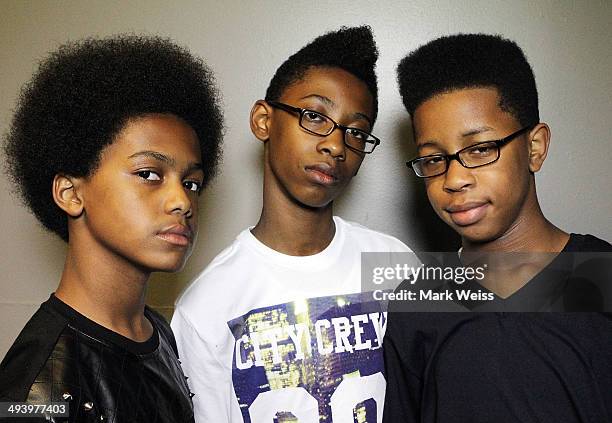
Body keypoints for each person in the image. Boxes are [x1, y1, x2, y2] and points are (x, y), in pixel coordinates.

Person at [171, 26, 412, 423]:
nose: (336, 145)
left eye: (356, 131)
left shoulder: (393, 263)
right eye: (315, 117)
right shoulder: (207, 305)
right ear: (264, 120)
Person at [383, 33, 612, 422]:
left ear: (534, 148)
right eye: (434, 159)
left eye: (479, 149)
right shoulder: (415, 304)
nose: (454, 179)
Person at [0, 35, 223, 423]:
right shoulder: (37, 389)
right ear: (70, 193)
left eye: (191, 182)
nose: (182, 201)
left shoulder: (155, 332)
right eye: (148, 174)